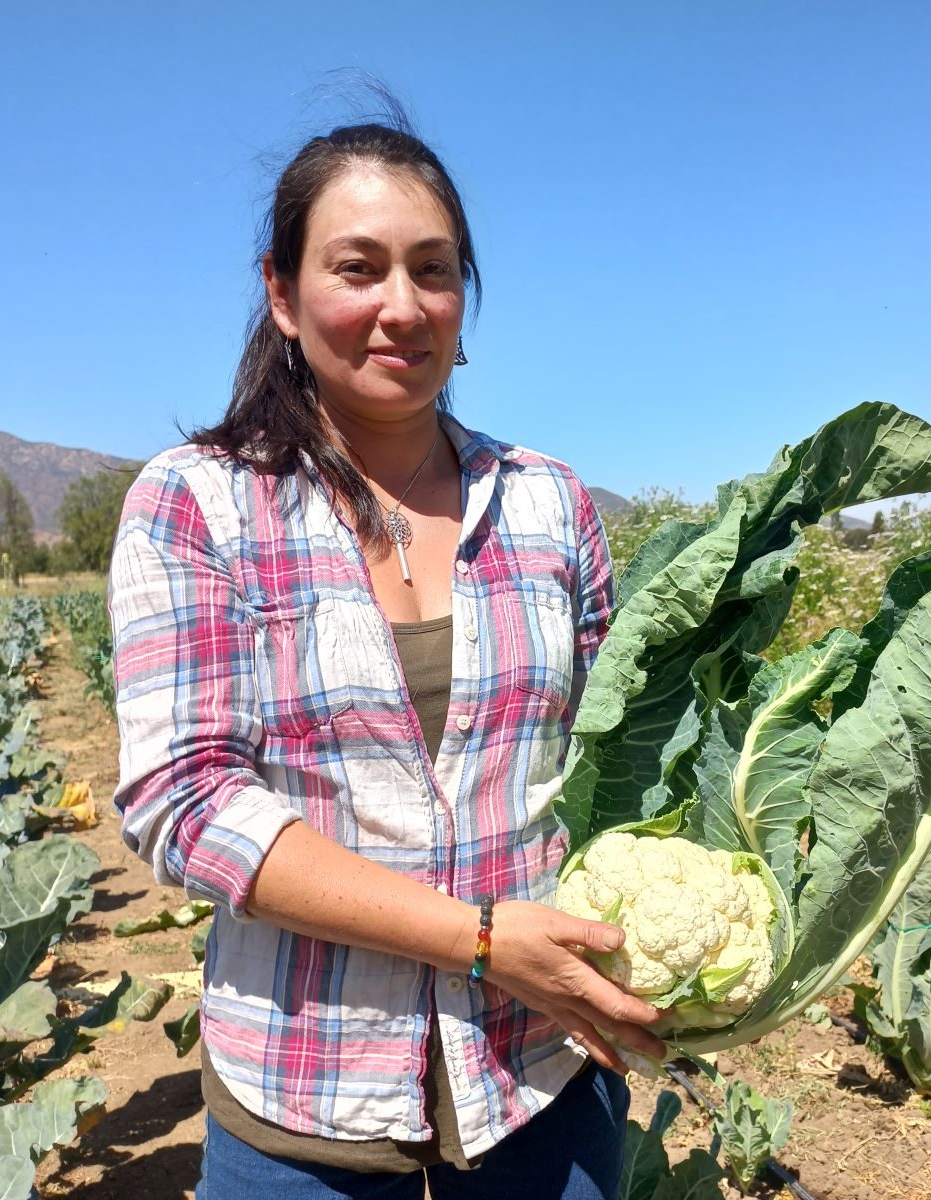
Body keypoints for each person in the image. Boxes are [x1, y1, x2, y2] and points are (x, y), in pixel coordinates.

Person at [107, 118, 665, 1199]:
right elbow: (185, 801)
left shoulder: (550, 504)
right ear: (281, 292)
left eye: (434, 270)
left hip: (539, 1070)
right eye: (356, 268)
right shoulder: (198, 503)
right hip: (305, 1094)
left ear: (467, 296)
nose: (401, 307)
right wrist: (478, 939)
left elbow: (621, 766)